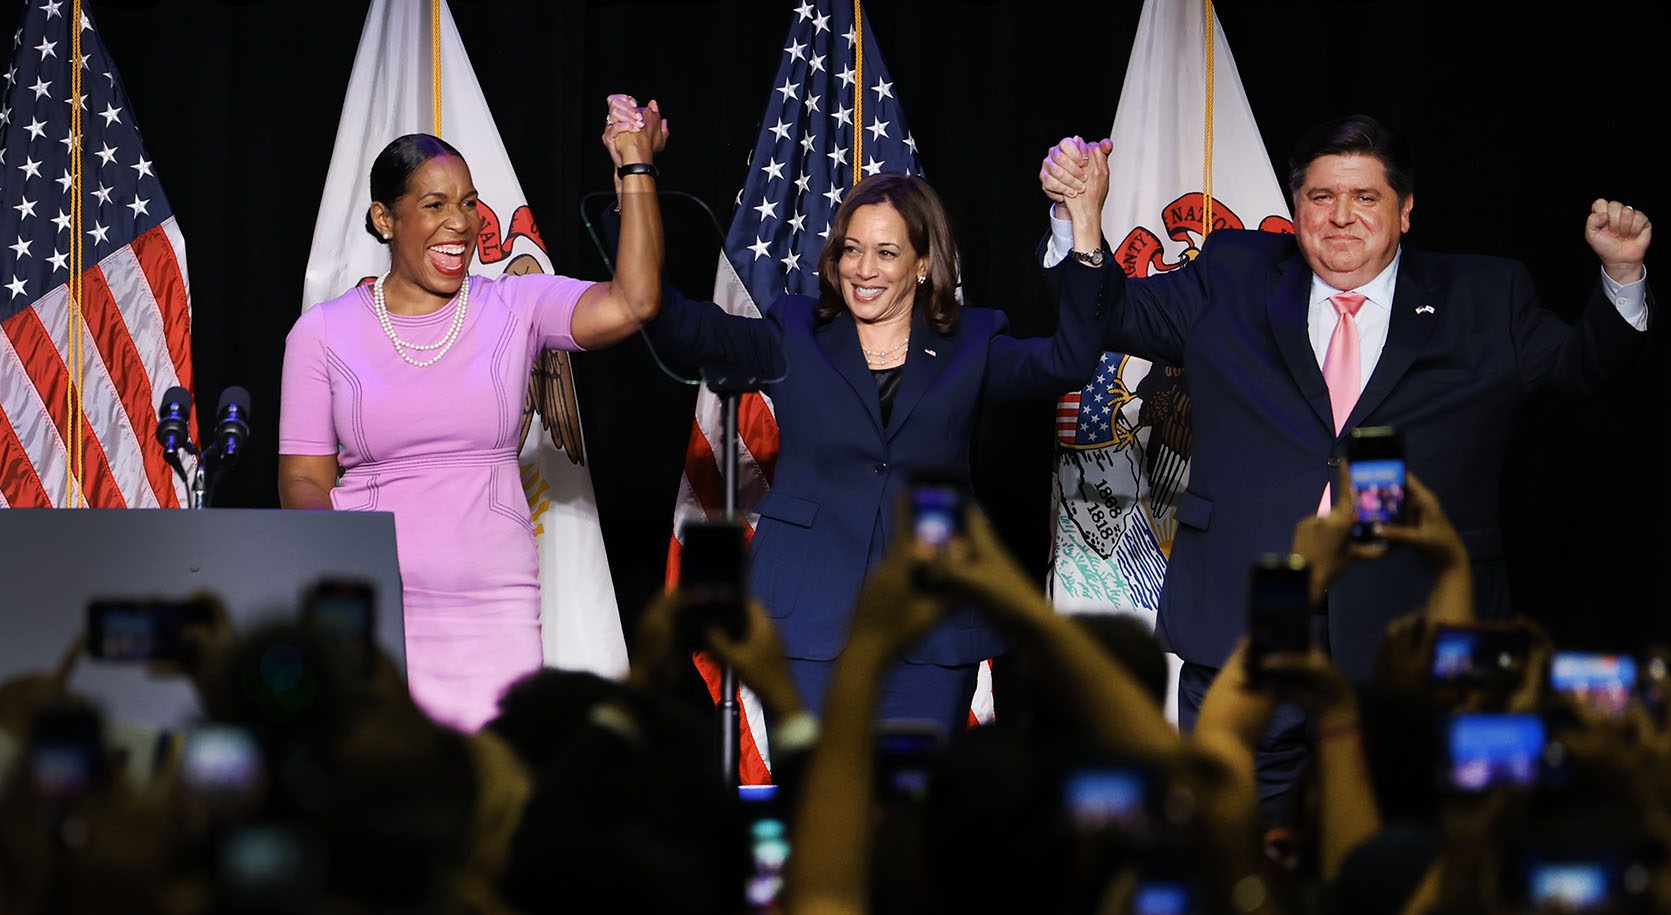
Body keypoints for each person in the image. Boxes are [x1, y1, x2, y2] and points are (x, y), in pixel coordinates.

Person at [1039, 115, 1651, 770]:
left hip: (1412, 633)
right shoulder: (1234, 272)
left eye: (1365, 198)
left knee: (1400, 848)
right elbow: (1110, 317)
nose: (1341, 217)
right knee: (1234, 836)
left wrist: (1621, 274)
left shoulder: (1487, 296)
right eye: (1321, 197)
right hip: (1249, 623)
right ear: (1297, 206)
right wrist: (1079, 218)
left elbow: (1580, 369)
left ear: (1405, 211)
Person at [646, 170, 1115, 735]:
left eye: (886, 252)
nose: (863, 270)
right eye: (852, 249)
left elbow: (1071, 359)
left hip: (932, 628)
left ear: (922, 263)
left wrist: (1081, 222)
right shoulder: (794, 332)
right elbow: (676, 324)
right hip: (806, 621)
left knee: (909, 815)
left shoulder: (972, 342)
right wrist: (636, 181)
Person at [278, 95, 667, 730]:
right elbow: (302, 479)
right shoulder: (320, 334)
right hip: (371, 608)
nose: (459, 222)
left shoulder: (515, 305)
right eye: (434, 205)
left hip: (496, 607)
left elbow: (635, 302)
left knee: (498, 795)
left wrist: (635, 166)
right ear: (384, 218)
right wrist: (346, 574)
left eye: (467, 203)